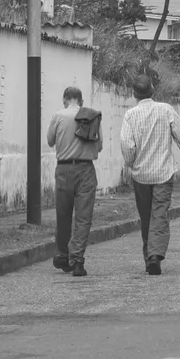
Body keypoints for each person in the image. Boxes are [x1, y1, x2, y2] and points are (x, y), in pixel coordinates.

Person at [121, 74, 180, 275]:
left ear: (134, 94)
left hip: (140, 175)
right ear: (152, 90)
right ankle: (155, 255)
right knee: (160, 213)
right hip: (163, 173)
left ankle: (149, 255)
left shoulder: (130, 115)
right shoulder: (166, 110)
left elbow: (127, 145)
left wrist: (129, 163)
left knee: (146, 216)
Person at [46, 86, 101, 277]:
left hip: (64, 169)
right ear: (81, 101)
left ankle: (63, 254)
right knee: (83, 217)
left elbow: (50, 141)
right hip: (86, 170)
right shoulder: (92, 116)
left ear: (64, 100)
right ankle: (77, 260)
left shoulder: (58, 116)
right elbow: (99, 146)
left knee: (63, 214)